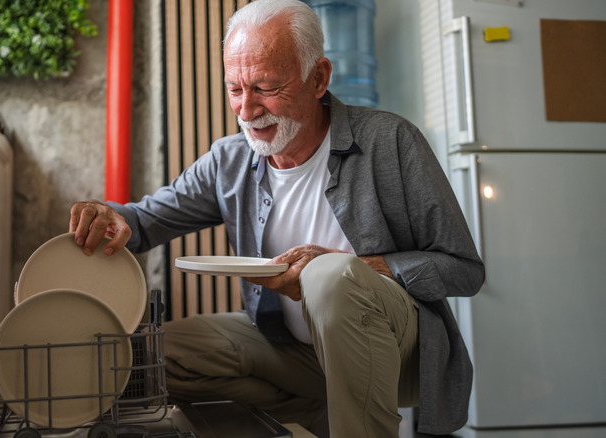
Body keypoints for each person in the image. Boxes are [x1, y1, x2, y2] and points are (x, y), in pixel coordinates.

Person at [69, 0, 484, 436]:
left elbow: (465, 271)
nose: (247, 111)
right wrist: (109, 217)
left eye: (266, 87)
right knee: (153, 355)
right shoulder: (228, 160)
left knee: (329, 276)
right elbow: (146, 219)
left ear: (318, 78)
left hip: (395, 355)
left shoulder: (390, 141)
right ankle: (315, 410)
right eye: (235, 89)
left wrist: (359, 271)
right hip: (294, 351)